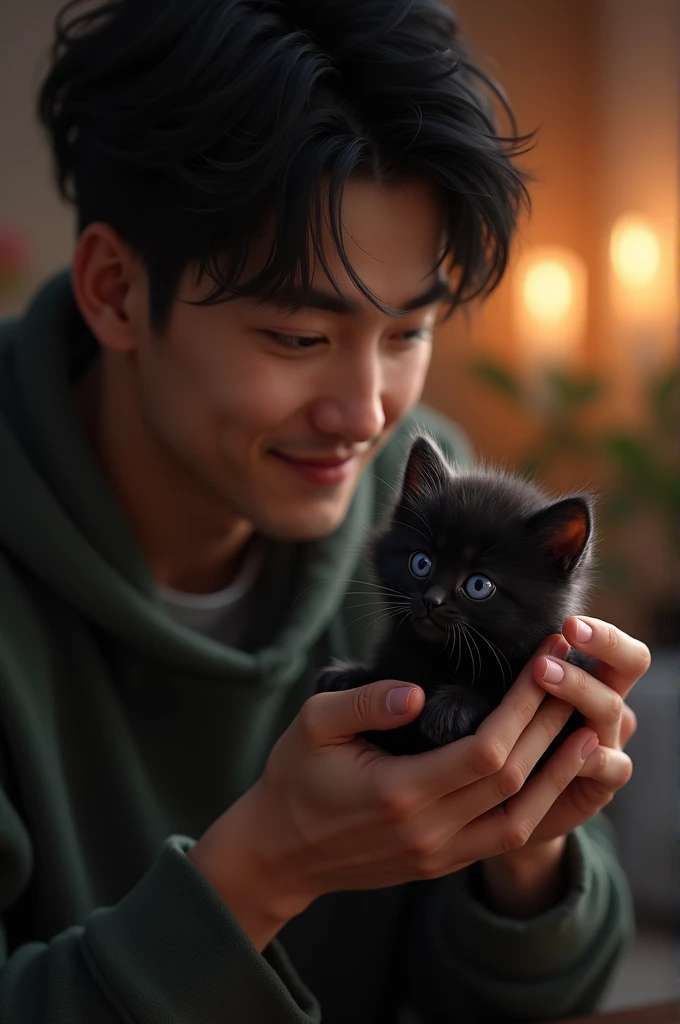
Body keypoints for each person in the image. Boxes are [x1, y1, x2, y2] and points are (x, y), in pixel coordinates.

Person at [0, 0, 649, 1021]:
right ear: (117, 292)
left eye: (408, 330)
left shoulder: (414, 504)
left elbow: (541, 994)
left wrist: (526, 837)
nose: (365, 415)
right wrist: (260, 872)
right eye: (298, 337)